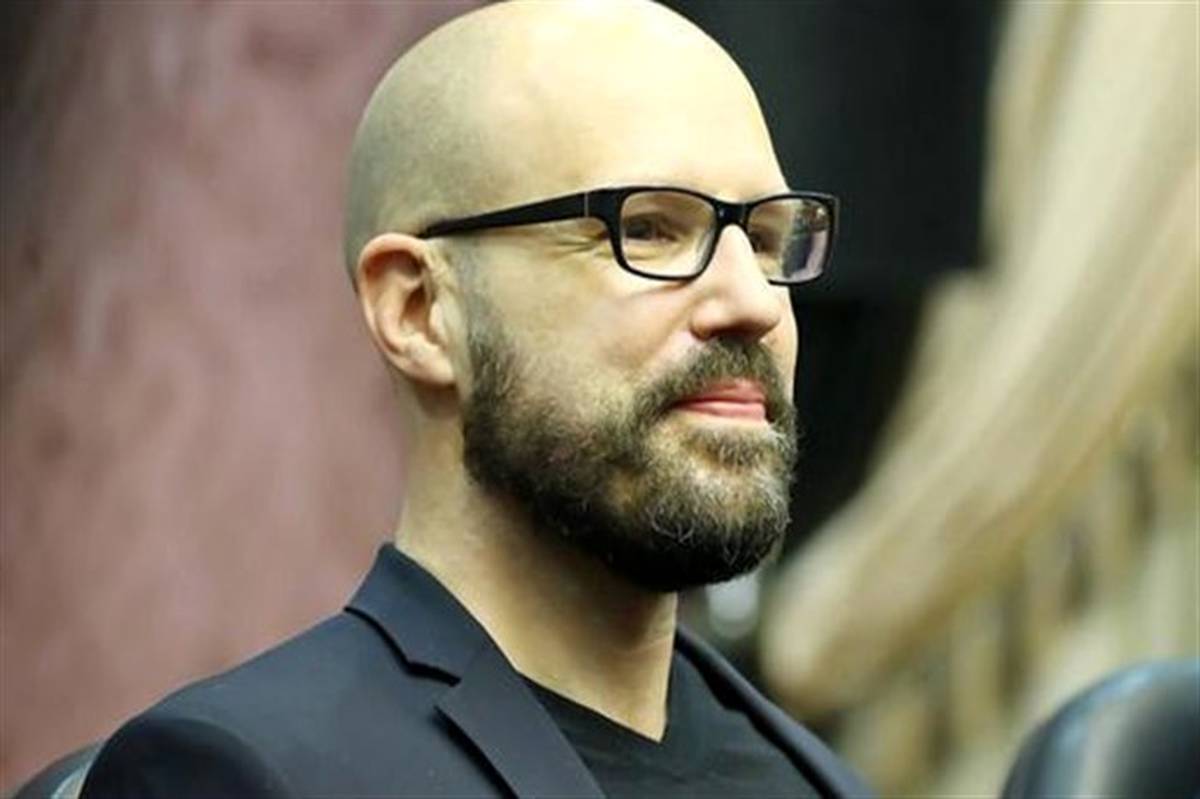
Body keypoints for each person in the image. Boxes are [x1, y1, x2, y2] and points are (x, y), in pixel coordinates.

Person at [81, 1, 870, 796]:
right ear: (420, 310)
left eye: (766, 241)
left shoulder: (818, 783)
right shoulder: (247, 772)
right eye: (650, 229)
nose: (754, 302)